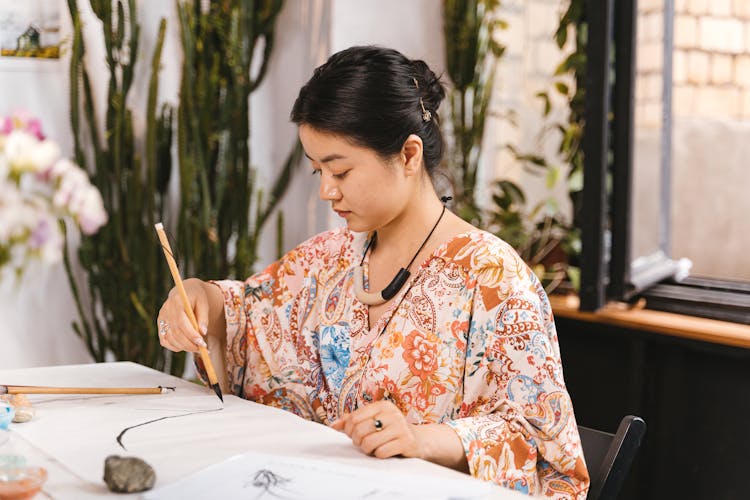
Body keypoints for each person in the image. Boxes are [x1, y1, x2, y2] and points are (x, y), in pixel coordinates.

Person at [157, 45, 589, 498]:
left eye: (340, 171)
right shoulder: (326, 260)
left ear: (408, 154)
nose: (327, 191)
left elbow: (543, 450)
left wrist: (422, 441)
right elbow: (242, 316)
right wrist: (195, 299)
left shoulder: (496, 282)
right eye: (316, 171)